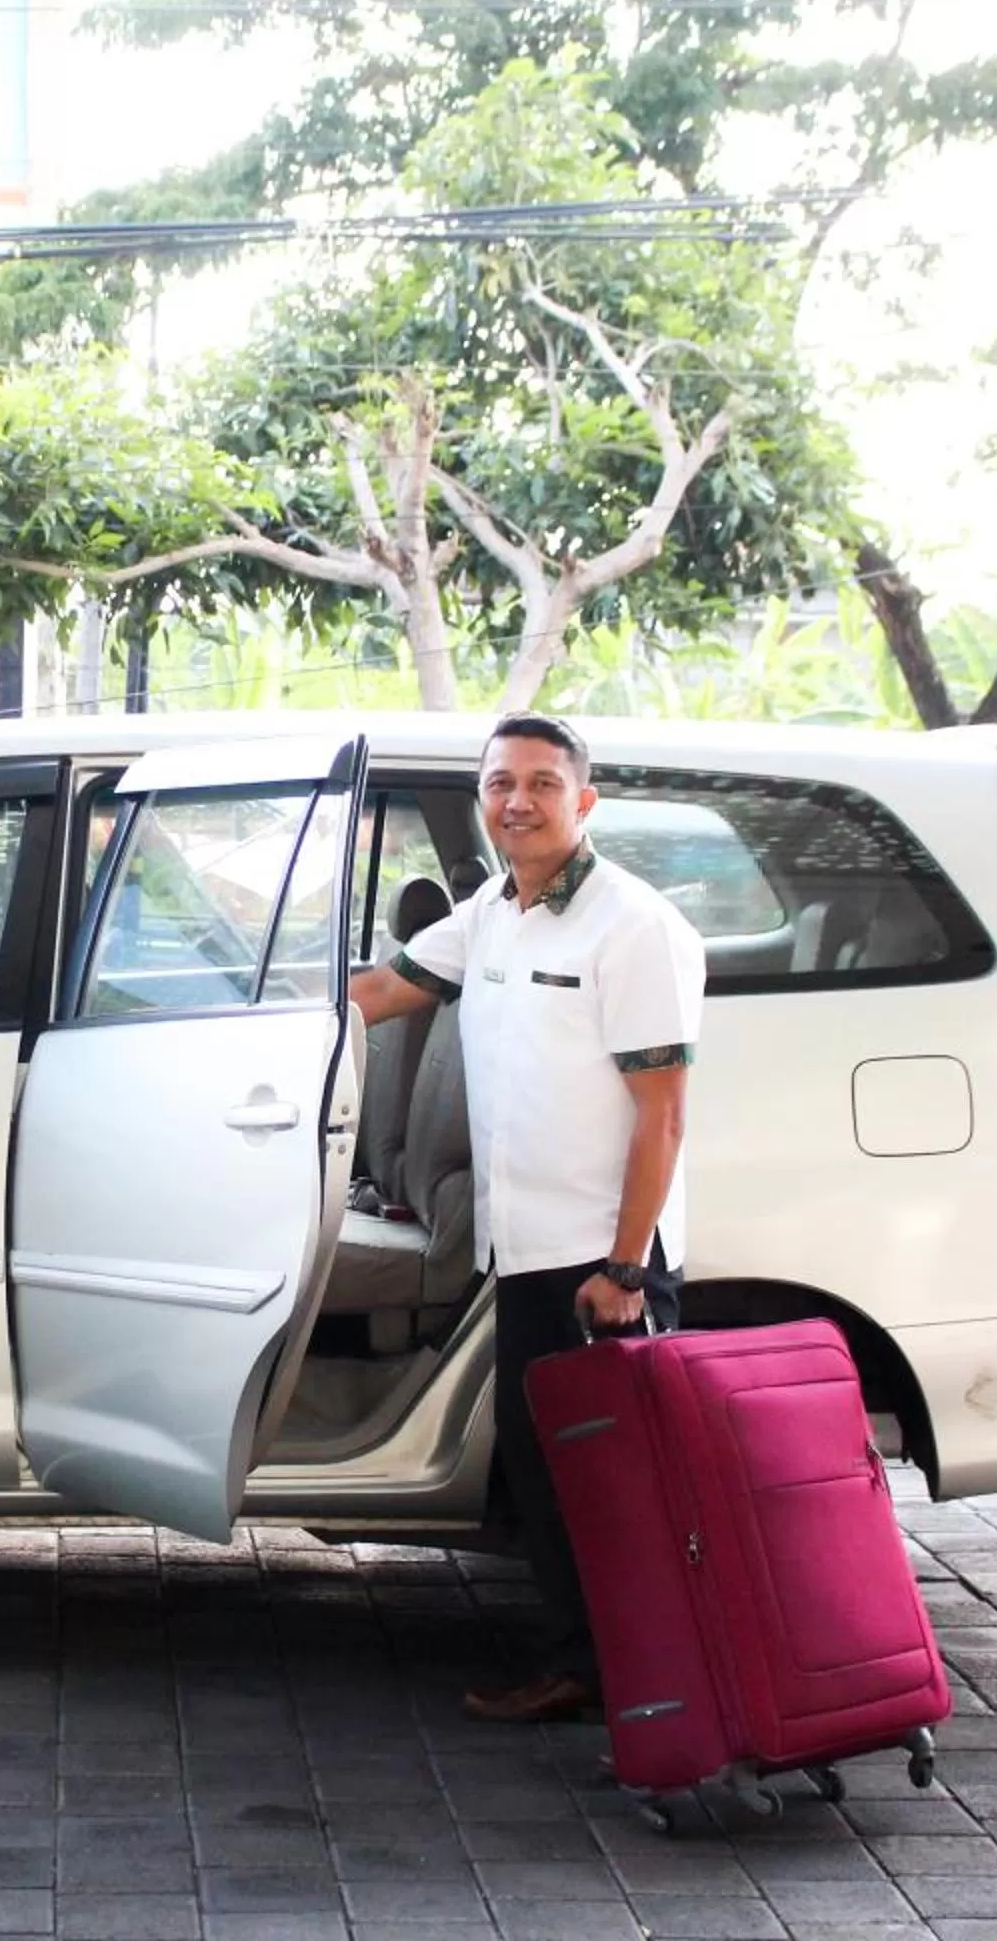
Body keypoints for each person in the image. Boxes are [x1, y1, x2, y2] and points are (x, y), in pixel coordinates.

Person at [350, 712, 705, 1724]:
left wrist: (626, 1271)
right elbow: (384, 988)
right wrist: (263, 1021)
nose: (518, 800)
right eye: (501, 781)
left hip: (597, 1261)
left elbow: (664, 1112)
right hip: (526, 1252)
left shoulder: (633, 927)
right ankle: (592, 1668)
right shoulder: (492, 914)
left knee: (612, 1486)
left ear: (583, 799)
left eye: (543, 783)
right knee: (550, 1474)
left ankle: (655, 1691)